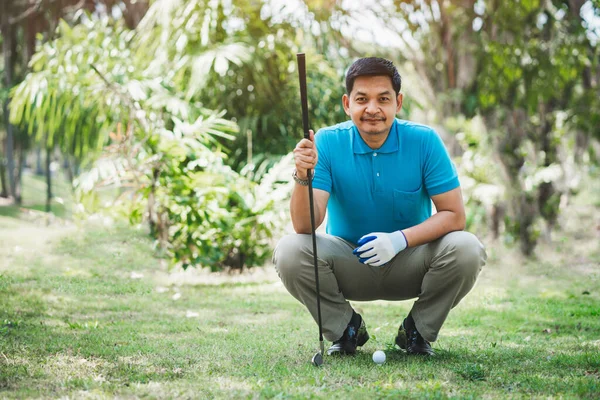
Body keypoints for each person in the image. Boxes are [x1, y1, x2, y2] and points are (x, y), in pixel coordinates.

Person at [273, 57, 487, 356]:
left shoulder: (424, 141)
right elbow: (305, 226)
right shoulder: (327, 142)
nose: (372, 109)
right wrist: (302, 176)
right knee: (290, 249)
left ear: (398, 102)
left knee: (467, 247)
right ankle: (345, 328)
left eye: (383, 99)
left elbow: (454, 215)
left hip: (412, 261)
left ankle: (417, 331)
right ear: (347, 104)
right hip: (350, 262)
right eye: (362, 99)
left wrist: (399, 240)